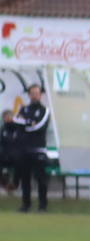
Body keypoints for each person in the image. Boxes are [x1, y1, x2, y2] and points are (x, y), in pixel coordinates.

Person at [14, 84, 50, 212]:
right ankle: (26, 205)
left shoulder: (44, 110)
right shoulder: (23, 109)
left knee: (41, 180)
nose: (35, 95)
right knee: (25, 180)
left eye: (37, 93)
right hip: (24, 150)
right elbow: (17, 122)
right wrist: (30, 122)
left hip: (38, 150)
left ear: (40, 95)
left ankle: (42, 206)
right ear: (29, 95)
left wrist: (27, 123)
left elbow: (39, 126)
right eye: (32, 93)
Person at [0, 110, 22, 191]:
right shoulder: (3, 129)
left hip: (17, 155)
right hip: (5, 155)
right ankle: (4, 183)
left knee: (20, 163)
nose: (7, 119)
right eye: (5, 117)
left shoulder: (18, 128)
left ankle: (15, 184)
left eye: (9, 117)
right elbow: (2, 142)